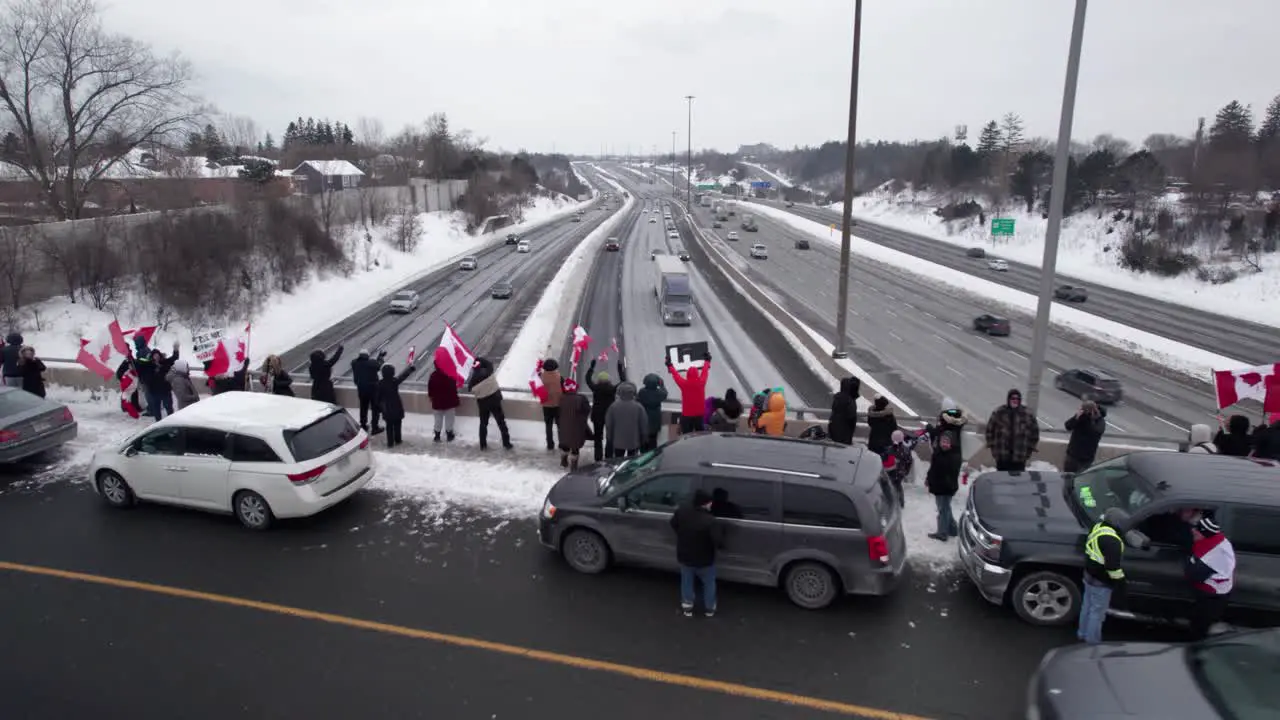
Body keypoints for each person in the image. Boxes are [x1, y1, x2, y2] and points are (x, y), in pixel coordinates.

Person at [669, 489, 723, 618]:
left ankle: (687, 607)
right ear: (704, 504)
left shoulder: (682, 512)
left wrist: (682, 535)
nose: (711, 505)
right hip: (705, 560)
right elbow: (718, 541)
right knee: (709, 583)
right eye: (710, 503)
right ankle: (709, 609)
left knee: (686, 581)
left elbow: (673, 523)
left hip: (685, 556)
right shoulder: (710, 521)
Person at [1079, 508, 1126, 645]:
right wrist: (1122, 582)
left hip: (1089, 574)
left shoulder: (1098, 527)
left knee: (1087, 606)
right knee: (1097, 614)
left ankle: (1082, 633)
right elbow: (1113, 569)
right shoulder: (1113, 542)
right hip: (1101, 581)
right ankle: (1092, 643)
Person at [1186, 515, 1235, 639]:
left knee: (1201, 627)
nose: (1192, 530)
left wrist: (1189, 560)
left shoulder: (1212, 555)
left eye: (1196, 529)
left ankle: (1197, 646)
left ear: (1204, 534)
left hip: (1212, 597)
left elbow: (1193, 574)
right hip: (1217, 593)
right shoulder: (1216, 541)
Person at [925, 410, 965, 541]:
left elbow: (946, 470)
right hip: (939, 486)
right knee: (945, 508)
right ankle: (953, 529)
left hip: (945, 487)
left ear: (951, 443)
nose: (944, 444)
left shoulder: (952, 456)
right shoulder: (939, 453)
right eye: (943, 441)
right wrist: (928, 479)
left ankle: (942, 533)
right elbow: (933, 468)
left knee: (943, 509)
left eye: (947, 442)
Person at [985, 388, 1039, 472]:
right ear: (1008, 399)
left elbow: (1035, 434)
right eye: (1013, 398)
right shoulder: (999, 412)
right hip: (1002, 456)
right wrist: (993, 448)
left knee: (1017, 481)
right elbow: (989, 431)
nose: (1015, 401)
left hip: (1019, 457)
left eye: (1017, 399)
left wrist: (1028, 451)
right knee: (1002, 480)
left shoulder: (1027, 414)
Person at [469, 357, 512, 450]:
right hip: (495, 401)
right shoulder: (488, 371)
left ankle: (483, 445)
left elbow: (470, 389)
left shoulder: (473, 379)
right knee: (501, 423)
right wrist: (478, 358)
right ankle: (506, 443)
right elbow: (489, 363)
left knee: (483, 424)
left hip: (483, 404)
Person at [586, 358, 625, 461]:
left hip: (597, 415)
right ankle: (608, 456)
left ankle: (598, 458)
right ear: (609, 380)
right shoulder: (612, 389)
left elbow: (588, 380)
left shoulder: (595, 388)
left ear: (598, 380)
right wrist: (620, 369)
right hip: (610, 416)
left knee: (598, 438)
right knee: (610, 437)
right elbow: (623, 382)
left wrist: (591, 368)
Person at [666, 351, 711, 433]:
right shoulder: (701, 382)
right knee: (700, 435)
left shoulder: (684, 384)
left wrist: (670, 365)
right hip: (699, 414)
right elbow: (705, 371)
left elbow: (676, 375)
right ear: (697, 374)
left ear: (687, 375)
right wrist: (707, 361)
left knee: (686, 435)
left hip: (687, 415)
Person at [137, 340, 180, 421]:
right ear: (152, 357)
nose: (156, 357)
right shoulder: (148, 365)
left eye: (157, 355)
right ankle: (158, 423)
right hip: (154, 392)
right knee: (156, 410)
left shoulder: (164, 362)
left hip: (165, 391)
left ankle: (172, 422)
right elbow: (139, 365)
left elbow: (174, 358)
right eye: (154, 355)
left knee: (169, 408)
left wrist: (176, 350)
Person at [605, 380, 648, 458]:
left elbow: (609, 424)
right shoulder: (638, 407)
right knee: (631, 460)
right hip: (633, 440)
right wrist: (643, 438)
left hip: (618, 441)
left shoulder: (613, 406)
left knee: (618, 459)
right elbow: (643, 424)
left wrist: (609, 437)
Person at [377, 363, 415, 448]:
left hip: (387, 408)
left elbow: (378, 398)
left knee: (389, 426)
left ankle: (390, 443)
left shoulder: (380, 384)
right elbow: (402, 377)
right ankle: (398, 440)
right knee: (398, 424)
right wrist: (410, 369)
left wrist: (379, 409)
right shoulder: (394, 382)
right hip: (397, 406)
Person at [556, 378, 592, 469]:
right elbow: (587, 410)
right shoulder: (581, 399)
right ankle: (574, 465)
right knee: (575, 447)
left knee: (565, 444)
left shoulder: (561, 399)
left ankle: (564, 460)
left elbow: (557, 413)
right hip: (577, 427)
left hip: (564, 427)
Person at [1063, 400, 1107, 473]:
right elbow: (1068, 426)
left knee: (1083, 481)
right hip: (1072, 454)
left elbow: (1096, 432)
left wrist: (1092, 419)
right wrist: (1076, 418)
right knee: (1067, 477)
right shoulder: (1081, 417)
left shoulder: (1099, 420)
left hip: (1086, 458)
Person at [881, 429, 921, 507]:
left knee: (890, 486)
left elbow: (884, 459)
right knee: (898, 485)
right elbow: (909, 461)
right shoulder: (905, 450)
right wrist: (906, 471)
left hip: (891, 471)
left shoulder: (889, 449)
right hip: (900, 472)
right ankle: (900, 502)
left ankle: (890, 502)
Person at [351, 348, 387, 433]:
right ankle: (375, 427)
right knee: (375, 409)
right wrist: (381, 356)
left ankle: (363, 425)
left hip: (361, 389)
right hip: (373, 390)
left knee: (363, 407)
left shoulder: (354, 363)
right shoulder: (372, 363)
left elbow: (371, 364)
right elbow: (379, 366)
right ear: (367, 355)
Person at [426, 357, 459, 443]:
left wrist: (431, 397)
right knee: (449, 419)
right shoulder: (450, 374)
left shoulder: (433, 376)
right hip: (449, 401)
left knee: (438, 419)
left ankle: (437, 435)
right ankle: (449, 434)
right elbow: (453, 388)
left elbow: (430, 389)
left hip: (437, 402)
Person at [636, 373, 668, 450]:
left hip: (643, 420)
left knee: (643, 442)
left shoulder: (642, 392)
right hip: (655, 421)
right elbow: (665, 393)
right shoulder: (659, 393)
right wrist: (662, 385)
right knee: (653, 442)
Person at [827, 376, 861, 445]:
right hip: (845, 431)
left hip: (834, 427)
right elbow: (851, 416)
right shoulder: (849, 400)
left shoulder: (837, 398)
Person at [539, 358, 563, 451]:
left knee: (548, 426)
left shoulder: (541, 377)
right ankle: (561, 443)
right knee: (560, 425)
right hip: (557, 405)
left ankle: (550, 444)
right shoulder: (559, 377)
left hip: (546, 405)